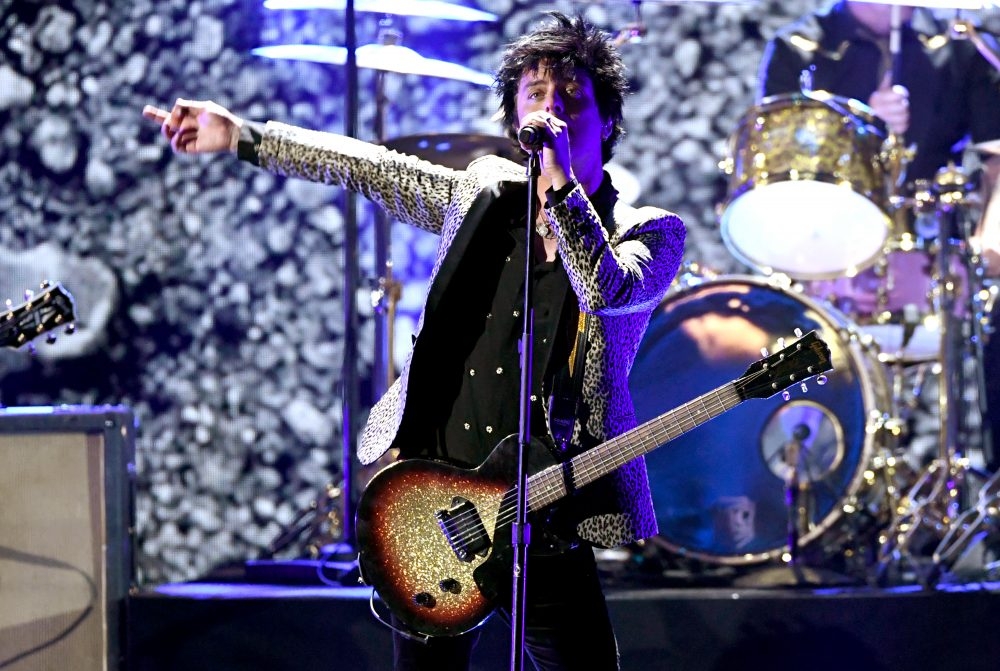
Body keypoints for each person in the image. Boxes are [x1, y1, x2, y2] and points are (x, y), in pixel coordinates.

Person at [144, 12, 686, 671]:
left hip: (542, 504)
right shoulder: (479, 196)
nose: (554, 108)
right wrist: (245, 137)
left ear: (608, 119)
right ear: (515, 118)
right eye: (536, 95)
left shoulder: (649, 231)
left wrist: (562, 188)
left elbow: (605, 290)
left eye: (572, 95)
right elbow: (366, 166)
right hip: (436, 491)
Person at [758, 0, 1000, 473]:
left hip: (928, 252)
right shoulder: (799, 47)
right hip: (823, 255)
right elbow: (775, 170)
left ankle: (967, 488)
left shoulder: (959, 43)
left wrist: (990, 237)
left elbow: (997, 154)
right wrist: (865, 126)